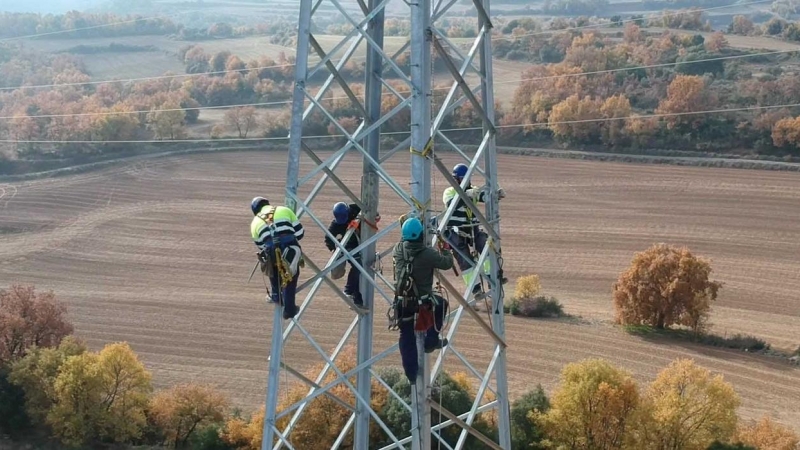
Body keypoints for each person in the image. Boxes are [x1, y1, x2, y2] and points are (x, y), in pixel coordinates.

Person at [393, 217, 452, 382]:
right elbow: (447, 263)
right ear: (420, 236)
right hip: (422, 302)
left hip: (402, 301)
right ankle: (430, 341)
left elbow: (405, 240)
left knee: (406, 334)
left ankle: (411, 374)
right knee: (441, 305)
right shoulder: (427, 254)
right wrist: (445, 249)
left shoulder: (398, 249)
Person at [442, 163, 506, 297]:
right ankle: (475, 288)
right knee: (464, 258)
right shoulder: (449, 192)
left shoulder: (474, 190)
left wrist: (496, 194)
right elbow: (451, 204)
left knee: (487, 246)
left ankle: (493, 277)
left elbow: (484, 196)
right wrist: (465, 195)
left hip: (473, 229)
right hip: (456, 231)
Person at [250, 196, 304, 320]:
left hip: (270, 250)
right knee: (290, 275)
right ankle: (289, 310)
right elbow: (300, 233)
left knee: (272, 267)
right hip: (289, 245)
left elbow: (261, 246)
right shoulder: (284, 210)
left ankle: (276, 295)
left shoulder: (254, 223)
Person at [325, 202, 364, 307]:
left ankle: (356, 297)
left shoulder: (355, 209)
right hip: (346, 248)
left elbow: (368, 210)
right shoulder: (335, 225)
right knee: (358, 267)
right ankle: (349, 291)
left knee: (359, 269)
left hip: (359, 243)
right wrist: (335, 250)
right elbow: (328, 238)